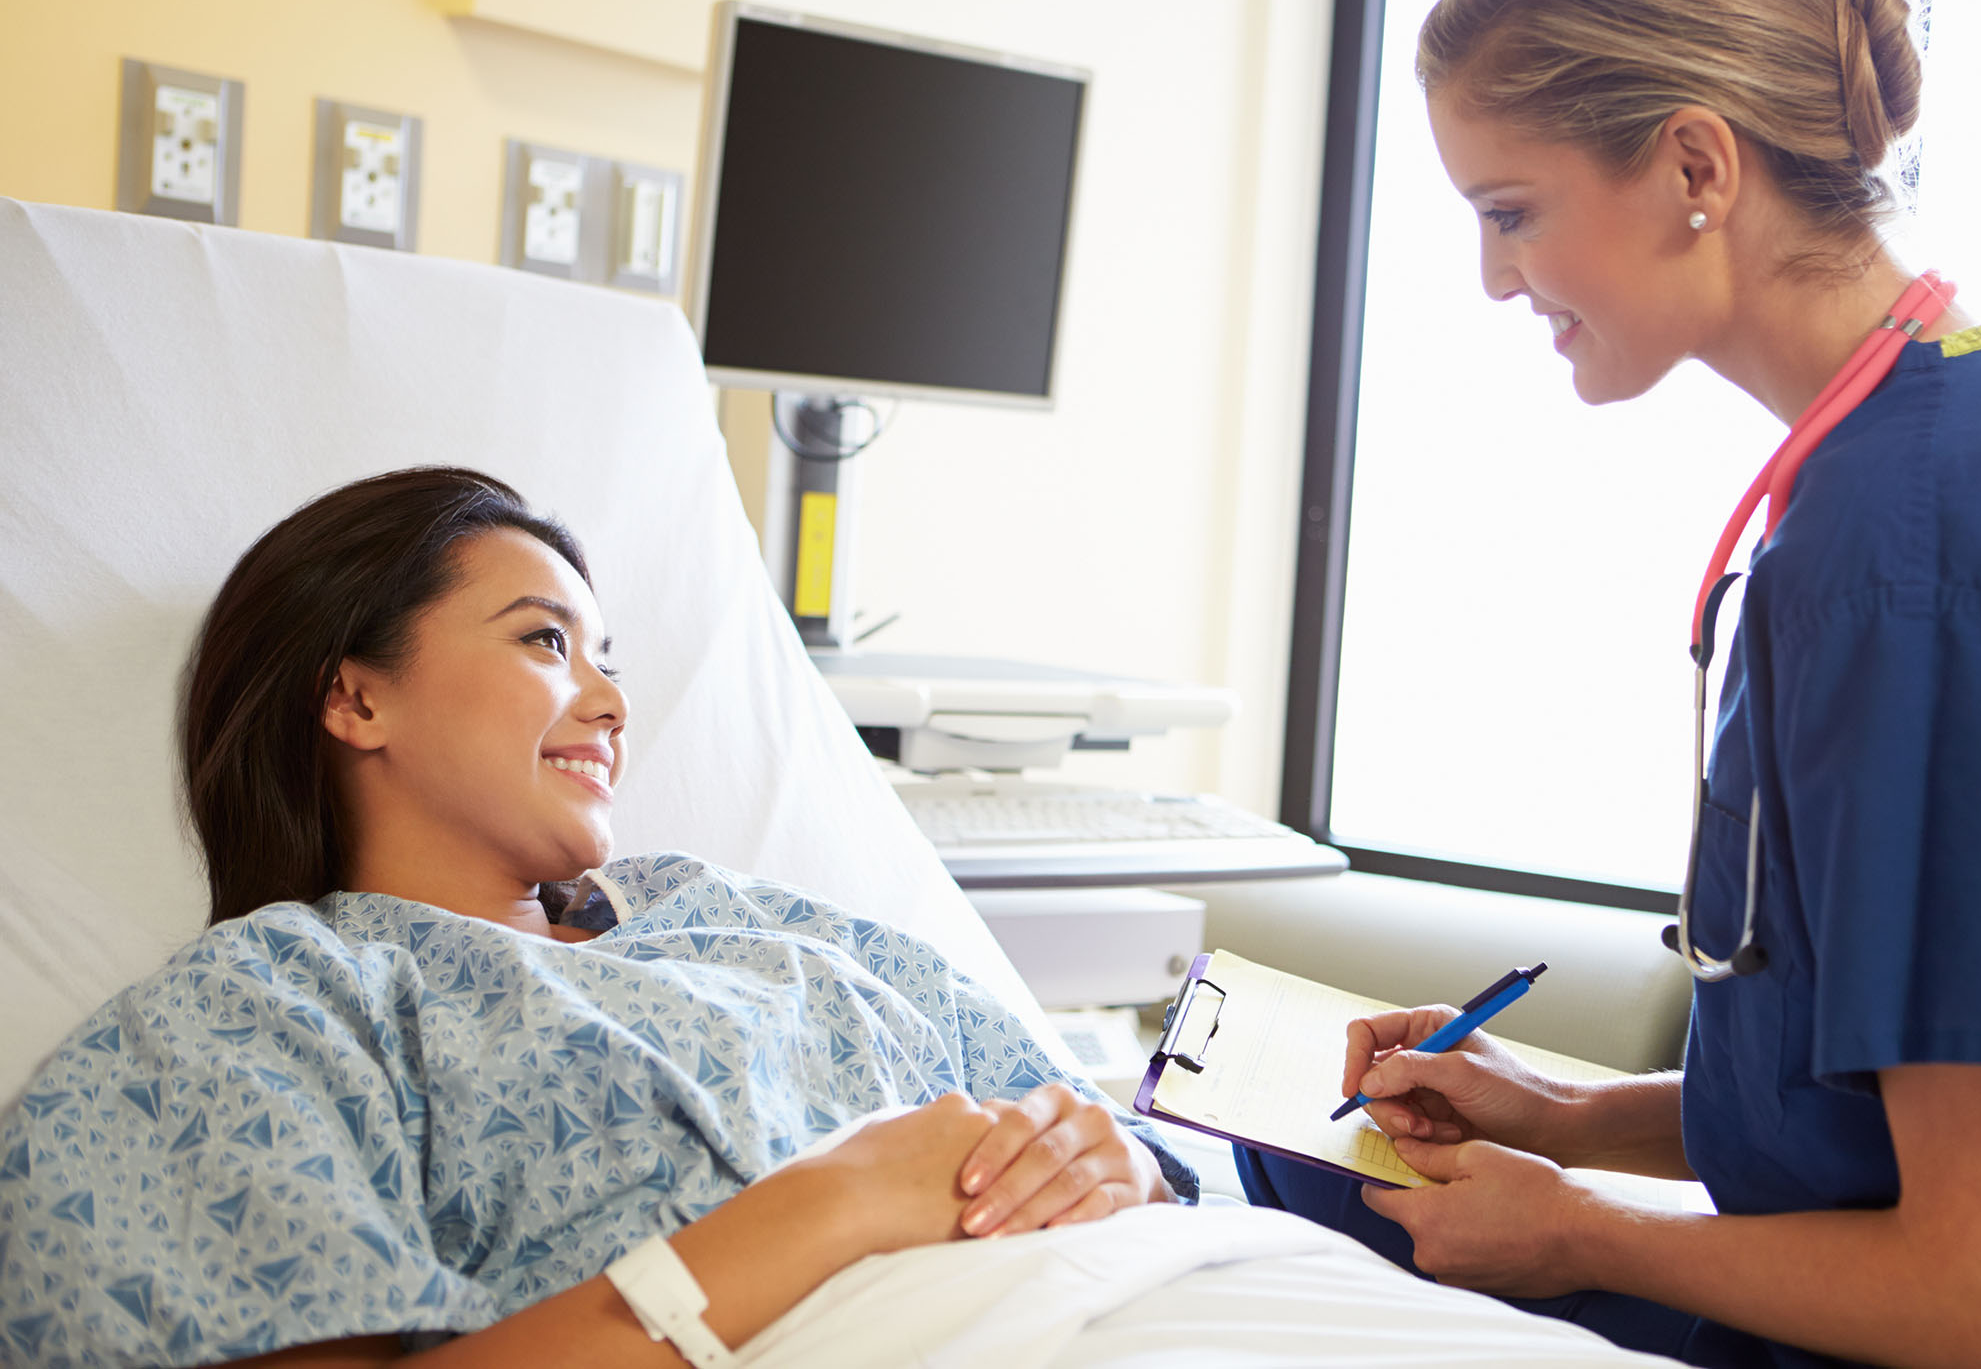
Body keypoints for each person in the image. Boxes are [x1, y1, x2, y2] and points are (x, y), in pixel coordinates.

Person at [1239, 0, 1981, 1366]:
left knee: (1264, 1212)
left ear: (1697, 161)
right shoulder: (1975, 442)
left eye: (1511, 213)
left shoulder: (1928, 550)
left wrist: (1575, 1224)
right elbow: (1894, 1120)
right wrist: (1572, 1118)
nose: (1495, 278)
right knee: (1282, 1169)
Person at [0, 466, 1193, 1366]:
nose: (613, 700)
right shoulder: (259, 1011)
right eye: (545, 640)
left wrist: (1116, 1157)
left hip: (1199, 1297)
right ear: (355, 695)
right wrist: (837, 1200)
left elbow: (1094, 1135)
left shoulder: (735, 915)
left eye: (608, 658)